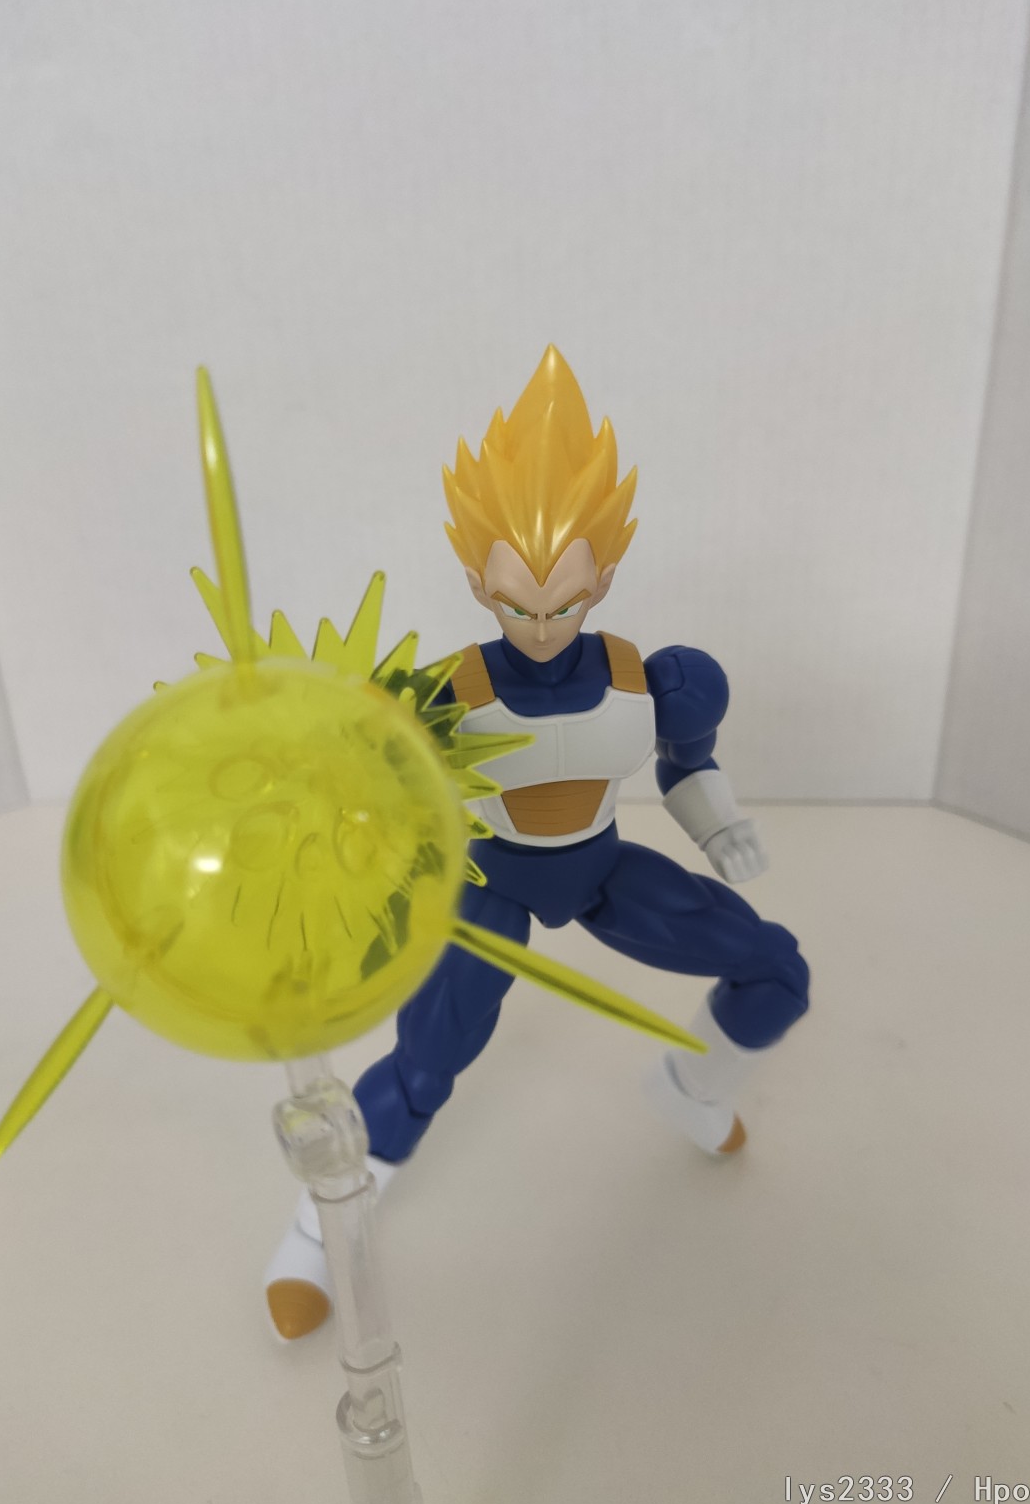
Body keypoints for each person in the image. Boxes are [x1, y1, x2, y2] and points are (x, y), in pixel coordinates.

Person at [264, 346, 809, 1340]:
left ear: (607, 577)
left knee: (776, 969)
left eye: (568, 603)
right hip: (492, 884)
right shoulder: (442, 694)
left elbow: (688, 765)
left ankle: (692, 1091)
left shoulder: (659, 680)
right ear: (478, 581)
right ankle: (320, 1224)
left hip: (604, 871)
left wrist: (721, 825)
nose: (545, 626)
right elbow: (374, 800)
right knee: (427, 1062)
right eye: (519, 604)